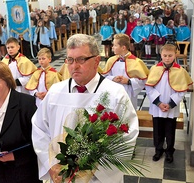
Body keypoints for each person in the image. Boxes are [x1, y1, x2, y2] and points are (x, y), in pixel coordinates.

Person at [31, 34, 139, 183]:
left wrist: (88, 167)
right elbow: (39, 128)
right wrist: (51, 165)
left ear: (96, 61)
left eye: (81, 59)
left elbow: (128, 135)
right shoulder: (56, 92)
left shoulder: (115, 93)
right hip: (60, 175)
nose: (74, 66)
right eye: (70, 60)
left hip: (98, 178)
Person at [145, 44, 193, 163]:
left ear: (175, 55)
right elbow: (149, 88)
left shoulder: (180, 71)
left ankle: (169, 151)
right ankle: (158, 149)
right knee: (157, 130)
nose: (167, 58)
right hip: (157, 107)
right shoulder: (155, 68)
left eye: (170, 56)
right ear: (161, 55)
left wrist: (171, 104)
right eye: (165, 55)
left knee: (170, 130)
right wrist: (158, 102)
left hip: (171, 107)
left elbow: (182, 91)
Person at [102, 33, 149, 110]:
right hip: (113, 94)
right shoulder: (111, 60)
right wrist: (113, 78)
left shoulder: (136, 62)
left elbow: (144, 81)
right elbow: (104, 77)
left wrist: (129, 81)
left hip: (129, 94)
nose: (112, 47)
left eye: (115, 45)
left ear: (123, 47)